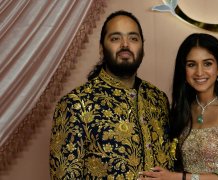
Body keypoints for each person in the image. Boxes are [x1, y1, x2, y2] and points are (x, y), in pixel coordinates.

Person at [49, 10, 174, 179]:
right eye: (115, 38)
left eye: (133, 38)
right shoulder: (76, 103)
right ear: (101, 48)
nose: (125, 44)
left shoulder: (157, 99)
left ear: (142, 47)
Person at [139, 33, 218, 180]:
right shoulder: (182, 111)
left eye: (207, 63)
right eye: (191, 64)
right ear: (183, 70)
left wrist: (177, 178)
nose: (199, 72)